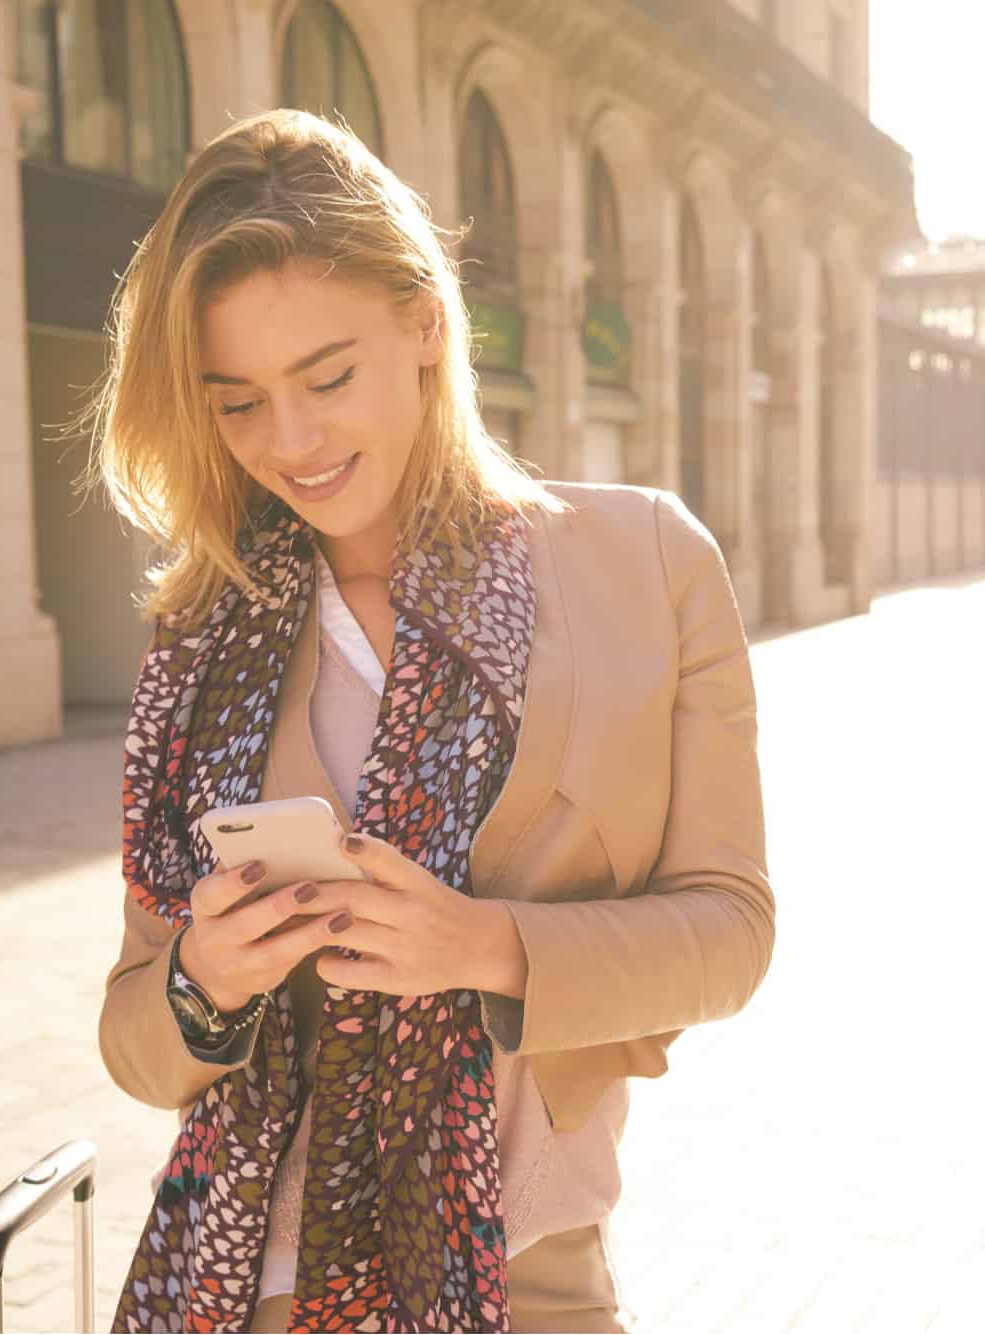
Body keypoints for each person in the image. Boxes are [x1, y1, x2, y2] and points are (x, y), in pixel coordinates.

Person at [88, 111, 774, 1334]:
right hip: (244, 1285)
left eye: (326, 377)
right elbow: (137, 1042)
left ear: (422, 320)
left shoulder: (644, 562)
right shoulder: (200, 636)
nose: (289, 442)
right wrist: (204, 979)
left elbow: (730, 933)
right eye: (236, 402)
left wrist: (485, 948)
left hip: (527, 1276)